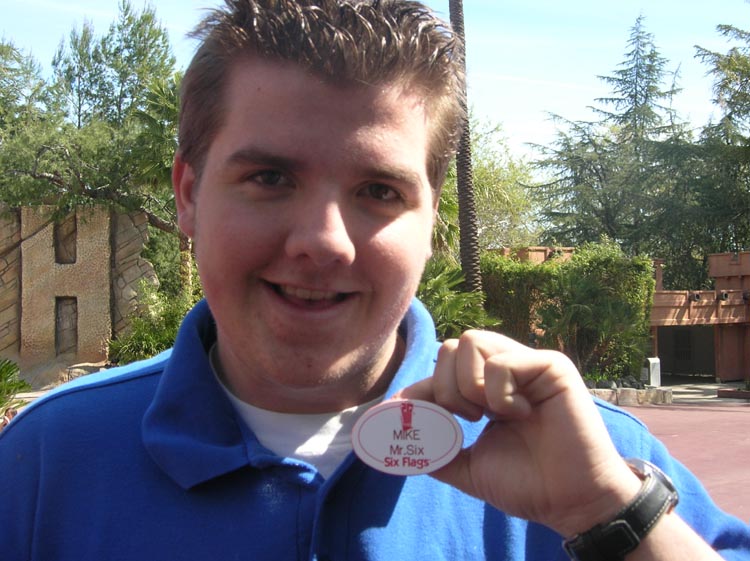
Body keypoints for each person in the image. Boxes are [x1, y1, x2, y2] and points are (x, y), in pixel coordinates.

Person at [1, 1, 749, 559]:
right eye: (268, 177)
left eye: (379, 192)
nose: (323, 241)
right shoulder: (45, 461)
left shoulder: (591, 460)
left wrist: (609, 513)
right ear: (188, 194)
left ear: (433, 222)